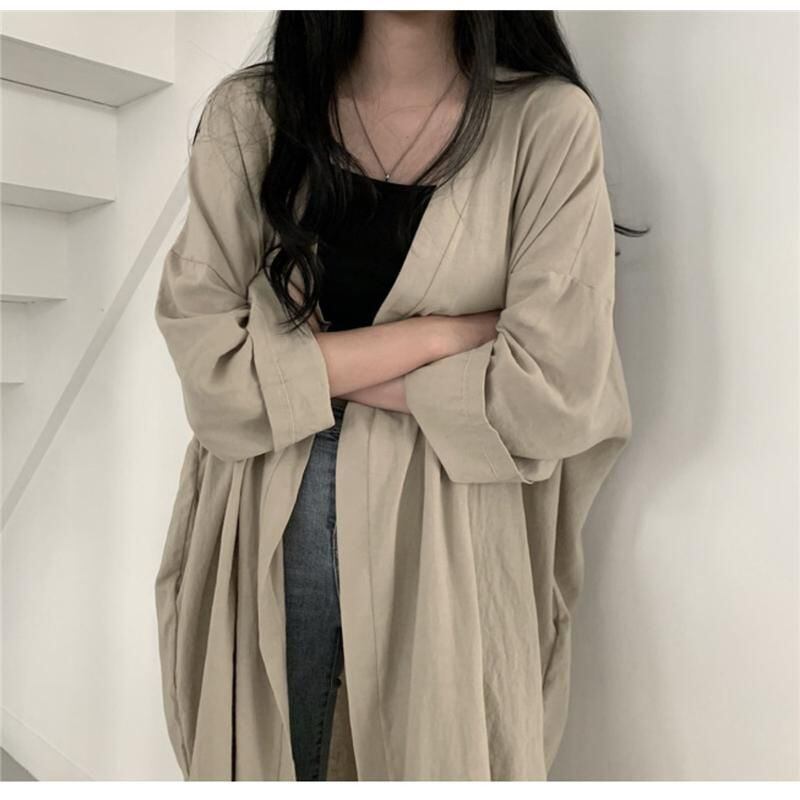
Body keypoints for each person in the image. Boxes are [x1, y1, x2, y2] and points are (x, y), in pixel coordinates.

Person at [153, 10, 635, 781]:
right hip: (268, 518)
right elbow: (213, 376)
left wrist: (292, 369)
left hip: (448, 542)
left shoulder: (547, 125)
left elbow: (551, 394)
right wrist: (443, 336)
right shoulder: (253, 116)